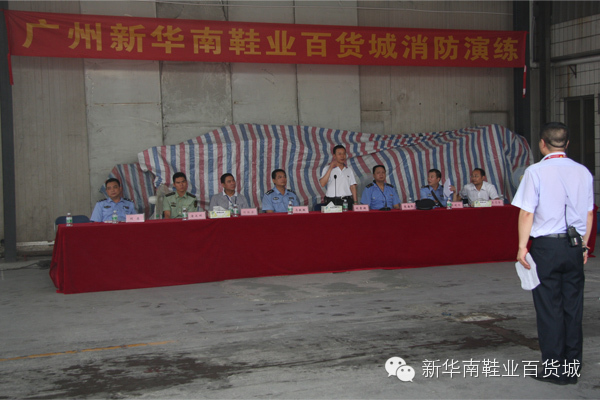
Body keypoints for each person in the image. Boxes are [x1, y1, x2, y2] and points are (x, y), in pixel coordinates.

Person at [512, 122, 593, 385]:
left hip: (546, 246)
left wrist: (522, 247)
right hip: (573, 246)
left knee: (549, 308)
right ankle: (572, 367)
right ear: (566, 144)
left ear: (542, 144)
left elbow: (527, 212)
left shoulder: (535, 171)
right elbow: (589, 213)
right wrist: (584, 245)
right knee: (573, 307)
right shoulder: (583, 172)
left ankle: (554, 368)